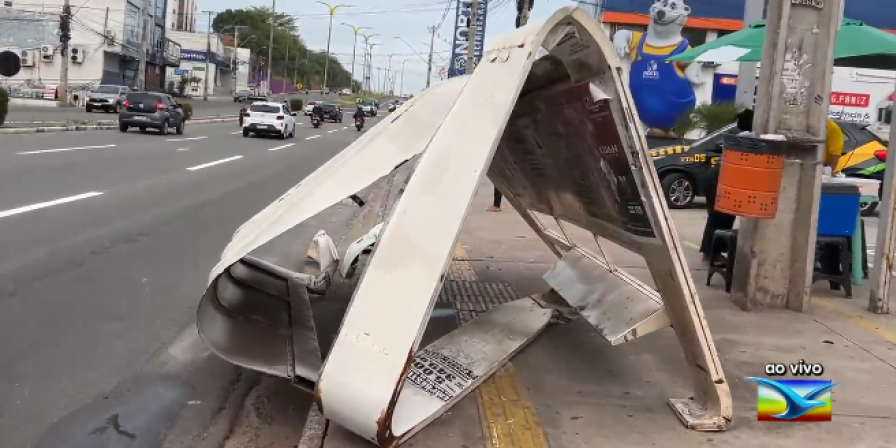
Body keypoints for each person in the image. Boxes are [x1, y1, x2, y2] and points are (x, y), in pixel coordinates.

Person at [698, 108, 753, 265]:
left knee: (721, 217)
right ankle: (711, 255)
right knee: (720, 218)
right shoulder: (747, 137)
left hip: (717, 177)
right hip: (720, 178)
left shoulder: (739, 135)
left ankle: (711, 253)